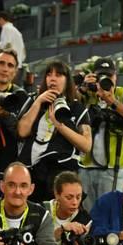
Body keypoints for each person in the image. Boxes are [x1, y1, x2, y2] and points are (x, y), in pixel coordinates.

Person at [17, 60, 92, 204]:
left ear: (67, 80)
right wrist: (38, 102)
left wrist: (60, 126)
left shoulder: (76, 107)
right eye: (49, 74)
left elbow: (86, 145)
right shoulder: (34, 100)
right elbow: (22, 132)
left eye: (58, 75)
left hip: (59, 174)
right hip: (31, 172)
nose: (52, 79)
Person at [78, 57, 123, 211]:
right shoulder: (87, 93)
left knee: (111, 213)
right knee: (86, 215)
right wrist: (82, 88)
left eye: (109, 76)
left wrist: (113, 102)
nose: (106, 80)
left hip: (112, 168)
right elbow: (69, 105)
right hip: (85, 167)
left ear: (115, 77)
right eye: (101, 76)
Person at [0, 49, 30, 202]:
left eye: (10, 65)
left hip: (7, 173)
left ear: (15, 72)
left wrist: (5, 115)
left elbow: (22, 134)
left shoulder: (21, 97)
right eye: (1, 63)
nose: (5, 68)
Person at [0, 11, 26, 83]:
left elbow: (6, 46)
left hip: (11, 67)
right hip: (17, 66)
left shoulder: (6, 28)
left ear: (1, 19)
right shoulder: (14, 30)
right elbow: (23, 52)